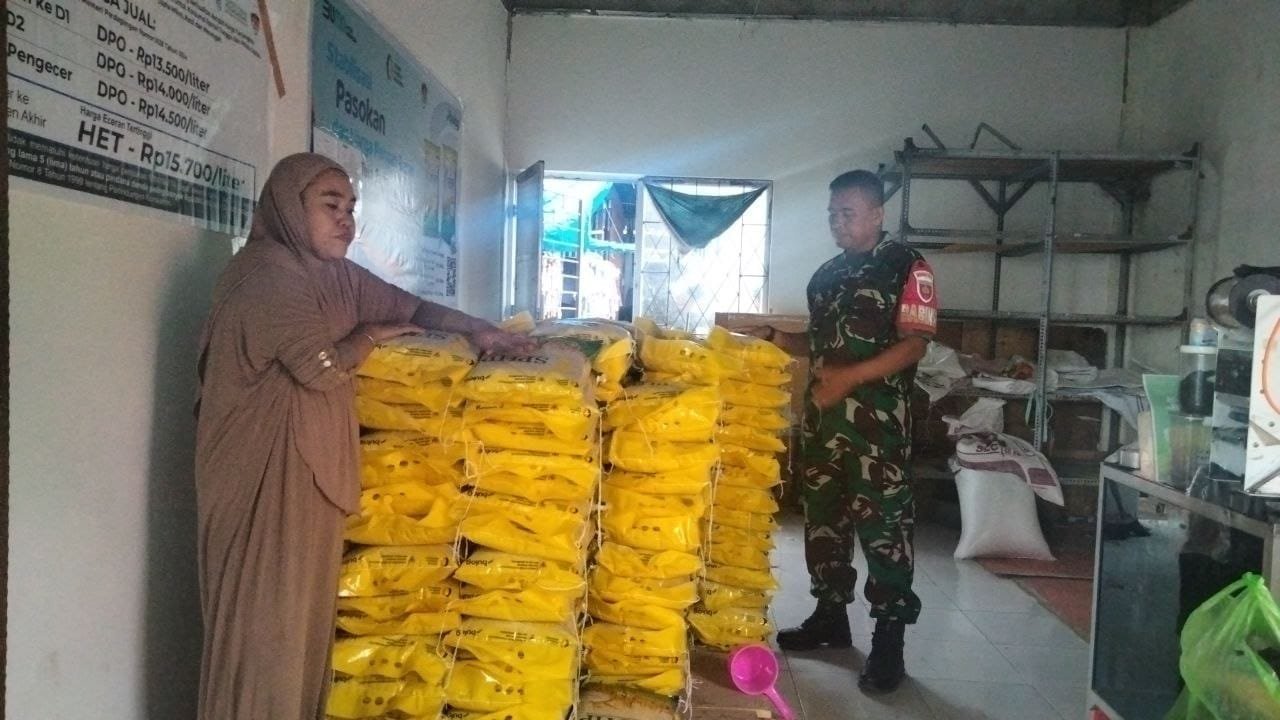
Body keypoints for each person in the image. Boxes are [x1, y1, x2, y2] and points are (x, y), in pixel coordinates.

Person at [193, 152, 532, 719]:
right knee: (261, 630)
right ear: (288, 207)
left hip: (306, 477)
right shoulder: (265, 276)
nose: (345, 220)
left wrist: (480, 330)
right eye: (330, 206)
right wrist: (370, 337)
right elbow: (322, 367)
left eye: (351, 208)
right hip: (260, 484)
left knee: (300, 628)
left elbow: (409, 305)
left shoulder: (334, 276)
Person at [752, 170, 938, 693]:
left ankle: (889, 641)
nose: (837, 222)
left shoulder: (906, 266)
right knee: (824, 524)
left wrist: (848, 380)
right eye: (832, 213)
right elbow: (821, 345)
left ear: (877, 214)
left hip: (878, 430)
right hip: (824, 426)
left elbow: (915, 345)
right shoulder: (826, 276)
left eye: (848, 213)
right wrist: (775, 340)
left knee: (885, 532)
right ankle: (830, 617)